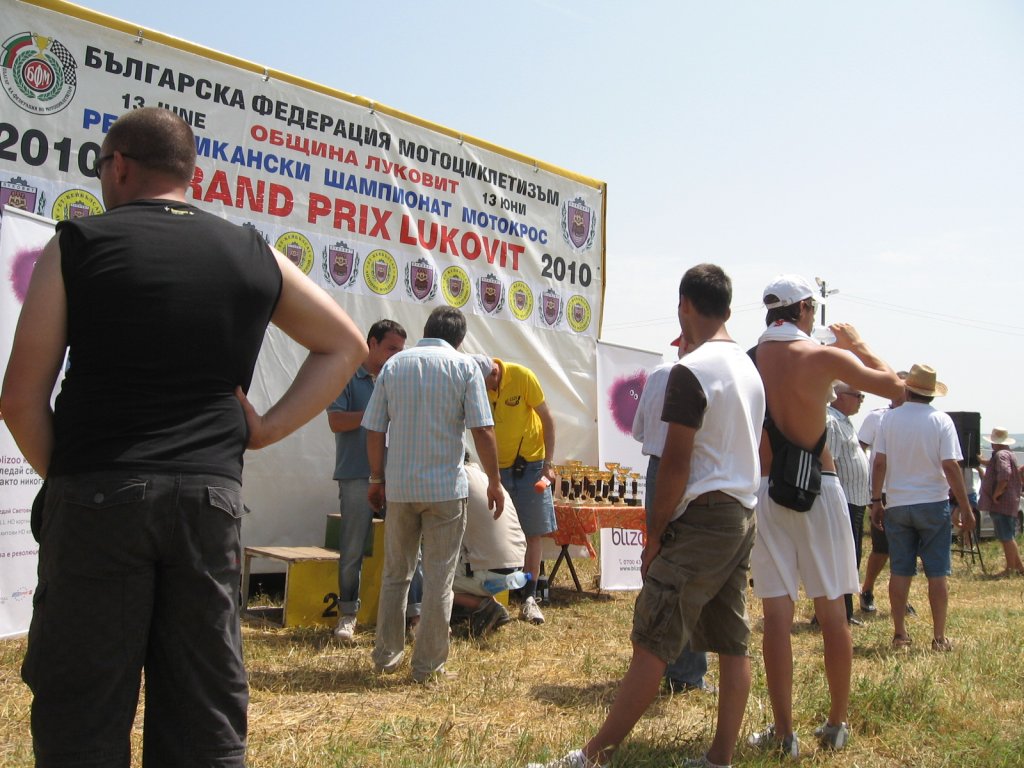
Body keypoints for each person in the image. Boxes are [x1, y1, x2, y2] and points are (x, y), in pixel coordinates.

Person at [0, 107, 366, 767]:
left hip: (97, 489)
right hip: (208, 497)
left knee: (81, 712)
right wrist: (266, 428)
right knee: (204, 713)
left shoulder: (78, 243)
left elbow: (20, 399)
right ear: (188, 173)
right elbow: (344, 344)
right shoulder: (250, 251)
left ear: (119, 165)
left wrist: (71, 484)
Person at [527, 263, 766, 768]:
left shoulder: (691, 370)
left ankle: (592, 757)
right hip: (741, 514)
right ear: (727, 308)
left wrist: (654, 535)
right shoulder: (748, 368)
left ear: (684, 306)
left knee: (652, 639)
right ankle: (720, 758)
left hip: (700, 519)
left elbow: (675, 462)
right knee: (732, 642)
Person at [748, 274, 903, 757]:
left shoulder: (747, 359)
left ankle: (784, 732)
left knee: (776, 616)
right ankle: (836, 723)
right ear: (803, 310)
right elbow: (898, 390)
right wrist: (859, 345)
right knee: (832, 611)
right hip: (820, 487)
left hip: (767, 488)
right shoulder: (821, 357)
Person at [363, 306, 503, 683]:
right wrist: (494, 481)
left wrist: (376, 478)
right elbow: (483, 429)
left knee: (396, 574)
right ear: (459, 340)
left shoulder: (394, 365)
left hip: (401, 487)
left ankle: (386, 656)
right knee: (440, 579)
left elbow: (374, 428)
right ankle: (427, 667)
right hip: (444, 489)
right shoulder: (464, 367)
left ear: (426, 330)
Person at [326, 319, 421, 643]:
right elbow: (336, 421)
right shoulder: (346, 375)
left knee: (410, 548)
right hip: (356, 474)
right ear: (372, 343)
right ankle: (347, 614)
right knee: (352, 548)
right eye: (391, 348)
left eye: (400, 350)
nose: (396, 355)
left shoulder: (401, 379)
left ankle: (415, 616)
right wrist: (378, 414)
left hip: (398, 476)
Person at [870, 363, 974, 651]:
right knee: (937, 573)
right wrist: (965, 506)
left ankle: (900, 634)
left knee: (900, 571)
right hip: (933, 503)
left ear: (907, 389)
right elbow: (950, 466)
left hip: (898, 504)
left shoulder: (889, 420)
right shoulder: (941, 420)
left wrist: (876, 500)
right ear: (932, 393)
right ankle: (939, 637)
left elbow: (879, 463)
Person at [631, 333, 712, 693]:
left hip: (657, 467)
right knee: (690, 568)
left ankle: (653, 659)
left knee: (659, 562)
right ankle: (686, 671)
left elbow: (639, 431)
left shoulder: (659, 374)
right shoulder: (707, 375)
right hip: (691, 469)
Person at [473, 353, 557, 624]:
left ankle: (530, 598)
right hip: (497, 469)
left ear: (494, 373)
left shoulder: (522, 376)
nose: (484, 390)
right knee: (496, 531)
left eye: (485, 384)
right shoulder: (478, 384)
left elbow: (547, 419)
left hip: (531, 465)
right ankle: (497, 597)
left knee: (533, 532)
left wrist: (548, 465)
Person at [856, 387, 915, 615]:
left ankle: (901, 598)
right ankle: (867, 589)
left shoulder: (917, 418)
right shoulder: (876, 417)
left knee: (906, 547)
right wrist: (870, 491)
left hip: (907, 490)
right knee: (882, 549)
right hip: (882, 491)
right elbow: (860, 451)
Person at [451, 459, 526, 638]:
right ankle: (486, 605)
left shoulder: (456, 481)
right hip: (516, 568)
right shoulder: (484, 477)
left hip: (491, 571)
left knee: (431, 580)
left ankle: (483, 606)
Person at [825, 382, 871, 626]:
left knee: (852, 556)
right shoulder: (831, 421)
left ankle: (842, 610)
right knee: (843, 557)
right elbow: (829, 462)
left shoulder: (844, 421)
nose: (861, 400)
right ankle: (839, 612)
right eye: (858, 395)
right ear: (840, 396)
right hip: (844, 500)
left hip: (856, 499)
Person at [978, 427, 1023, 577]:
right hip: (1010, 501)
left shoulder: (1000, 455)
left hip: (1001, 502)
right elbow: (997, 466)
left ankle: (1010, 569)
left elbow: (1004, 473)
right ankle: (1019, 567)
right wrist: (982, 461)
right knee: (1008, 535)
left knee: (1006, 537)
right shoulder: (1008, 454)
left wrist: (997, 493)